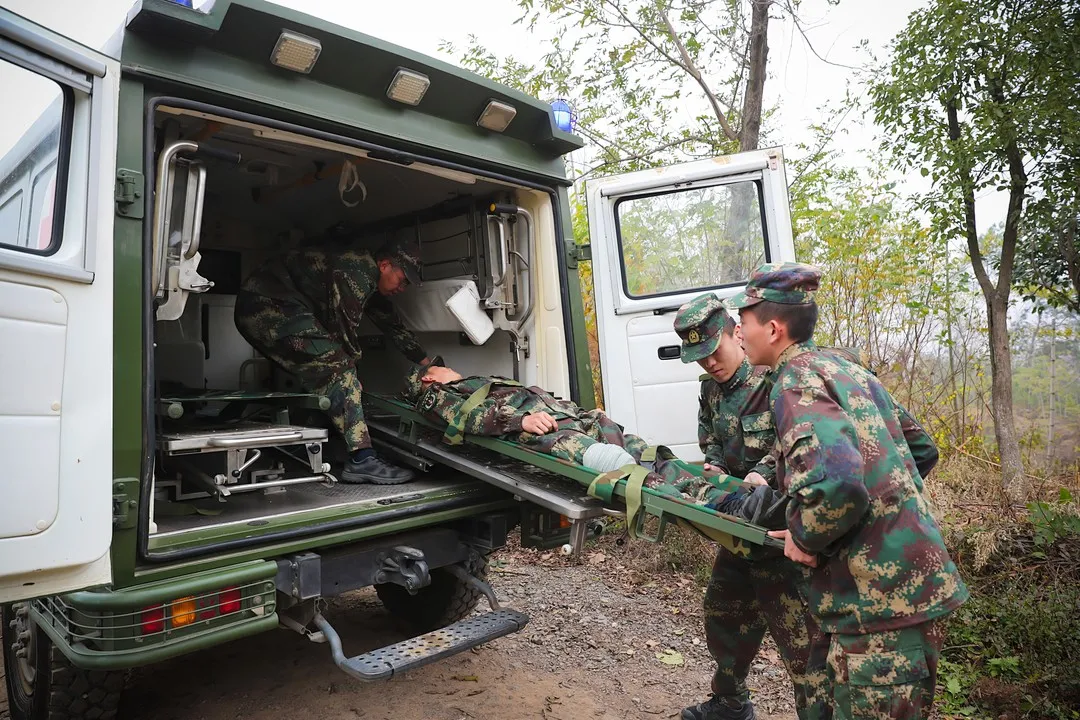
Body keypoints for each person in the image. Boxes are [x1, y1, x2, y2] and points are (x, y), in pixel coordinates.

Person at [728, 262, 969, 720]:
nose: (739, 332)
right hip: (895, 592)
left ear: (773, 329)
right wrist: (862, 528)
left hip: (878, 606)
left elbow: (836, 486)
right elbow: (919, 448)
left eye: (745, 322)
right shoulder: (843, 368)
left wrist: (805, 536)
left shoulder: (795, 381)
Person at [673, 293, 829, 720]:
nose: (709, 364)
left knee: (803, 645)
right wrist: (716, 468)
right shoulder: (710, 392)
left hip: (783, 533)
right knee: (722, 613)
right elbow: (713, 448)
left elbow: (792, 444)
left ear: (735, 334)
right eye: (699, 358)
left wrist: (760, 474)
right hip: (739, 528)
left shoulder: (773, 381)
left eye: (713, 351)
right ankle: (730, 702)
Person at [399, 359, 789, 524]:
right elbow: (465, 419)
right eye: (439, 365)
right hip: (550, 434)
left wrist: (586, 414)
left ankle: (729, 494)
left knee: (649, 456)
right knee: (627, 471)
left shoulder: (473, 382)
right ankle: (726, 506)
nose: (448, 365)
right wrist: (523, 419)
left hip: (576, 420)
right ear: (429, 378)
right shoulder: (436, 396)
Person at [234, 237, 431, 484]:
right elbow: (343, 334)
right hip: (265, 307)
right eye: (402, 280)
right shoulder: (356, 272)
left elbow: (391, 323)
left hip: (274, 306)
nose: (402, 288)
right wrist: (351, 378)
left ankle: (322, 440)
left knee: (331, 369)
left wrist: (425, 362)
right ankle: (362, 458)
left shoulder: (368, 278)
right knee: (339, 367)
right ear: (384, 265)